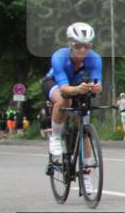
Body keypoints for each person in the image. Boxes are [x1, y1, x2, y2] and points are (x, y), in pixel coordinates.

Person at [42, 22, 104, 194]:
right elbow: (64, 89)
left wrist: (97, 88)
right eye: (78, 45)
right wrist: (76, 90)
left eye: (87, 45)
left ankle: (85, 175)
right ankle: (55, 136)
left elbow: (98, 83)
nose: (83, 50)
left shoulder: (95, 59)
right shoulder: (59, 57)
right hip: (55, 83)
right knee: (65, 101)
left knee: (83, 121)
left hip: (78, 85)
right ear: (70, 44)